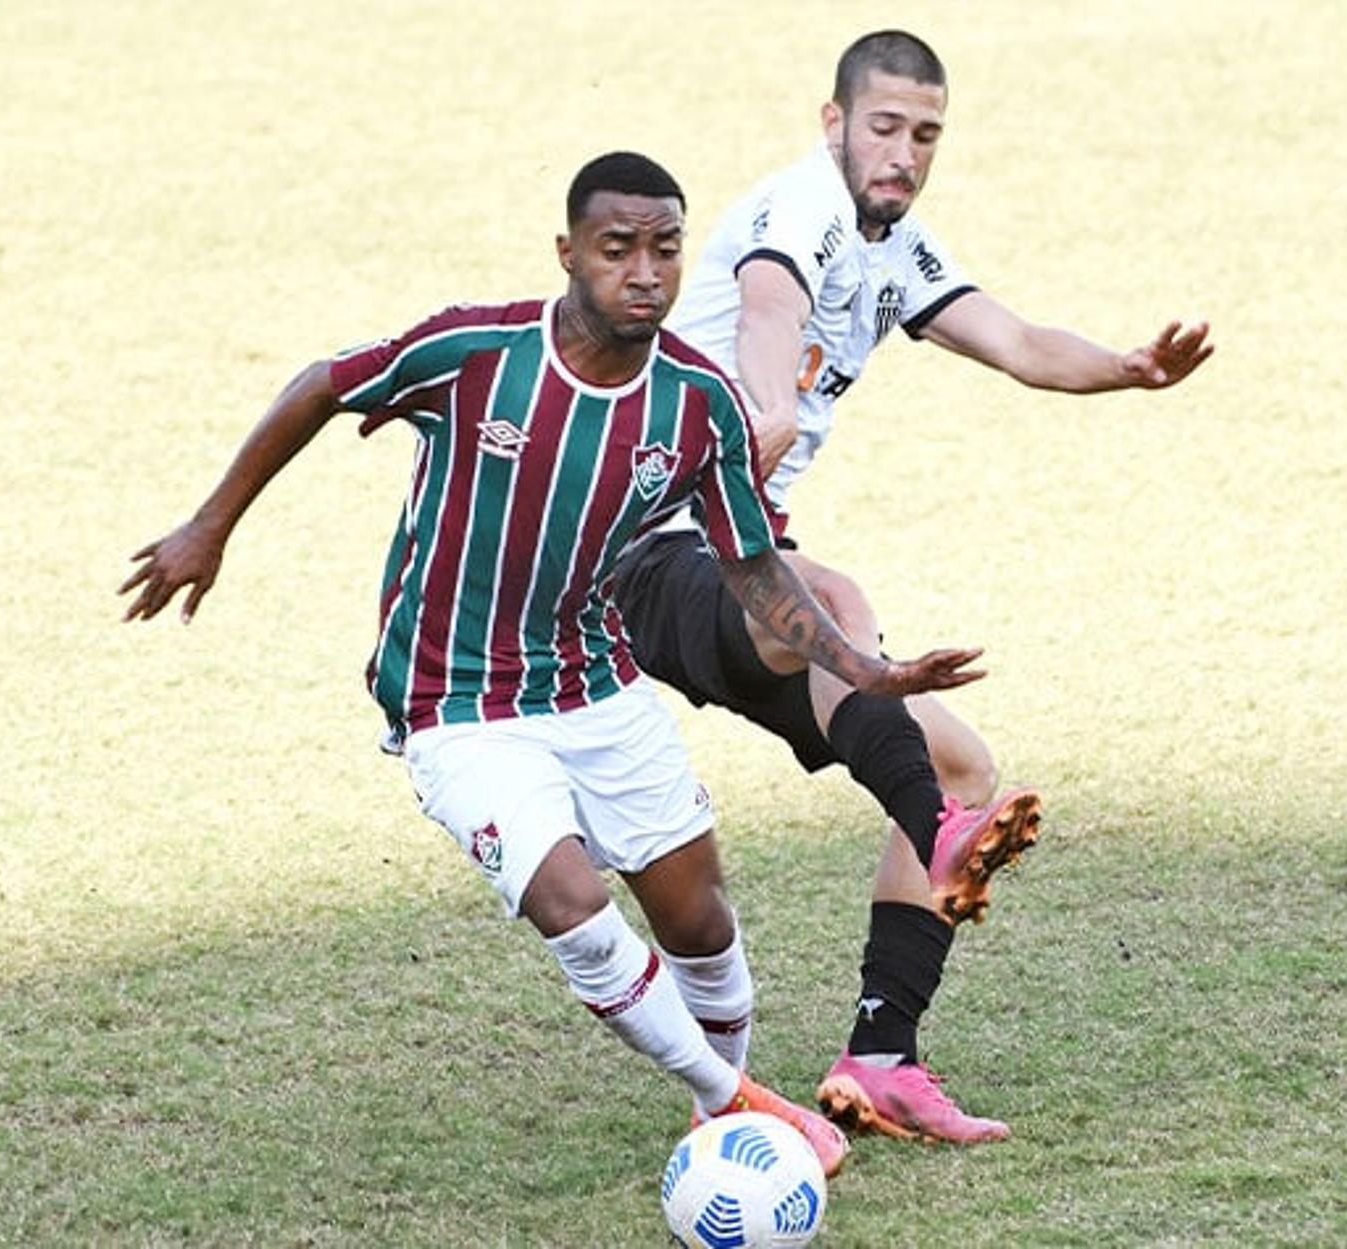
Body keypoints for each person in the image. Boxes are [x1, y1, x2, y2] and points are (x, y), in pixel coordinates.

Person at [118, 151, 991, 1178]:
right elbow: (324, 383)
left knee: (698, 917)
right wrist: (208, 526)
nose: (646, 272)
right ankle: (737, 1100)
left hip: (595, 683)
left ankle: (727, 1119)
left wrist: (863, 668)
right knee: (571, 901)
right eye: (618, 249)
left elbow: (753, 568)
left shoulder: (696, 401)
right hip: (455, 700)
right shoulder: (475, 352)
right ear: (569, 252)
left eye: (665, 248)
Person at [612, 32, 1214, 1144]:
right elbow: (767, 314)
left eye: (924, 133)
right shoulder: (798, 214)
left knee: (963, 763)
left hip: (738, 555)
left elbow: (1022, 342)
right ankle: (928, 826)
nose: (902, 152)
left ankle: (882, 1055)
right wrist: (766, 411)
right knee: (836, 602)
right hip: (646, 548)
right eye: (882, 126)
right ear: (833, 121)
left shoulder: (900, 252)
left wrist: (1127, 370)